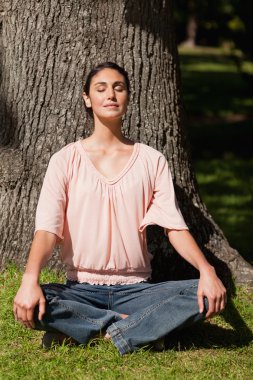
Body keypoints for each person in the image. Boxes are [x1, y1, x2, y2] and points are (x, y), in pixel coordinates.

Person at [13, 62, 226, 355]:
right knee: (38, 300)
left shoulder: (152, 161)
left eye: (119, 88)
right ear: (87, 98)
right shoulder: (64, 160)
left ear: (127, 97)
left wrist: (207, 270)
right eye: (100, 88)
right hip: (80, 288)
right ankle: (138, 329)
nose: (110, 94)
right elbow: (47, 230)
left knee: (201, 294)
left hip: (138, 290)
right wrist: (29, 280)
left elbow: (174, 226)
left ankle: (85, 330)